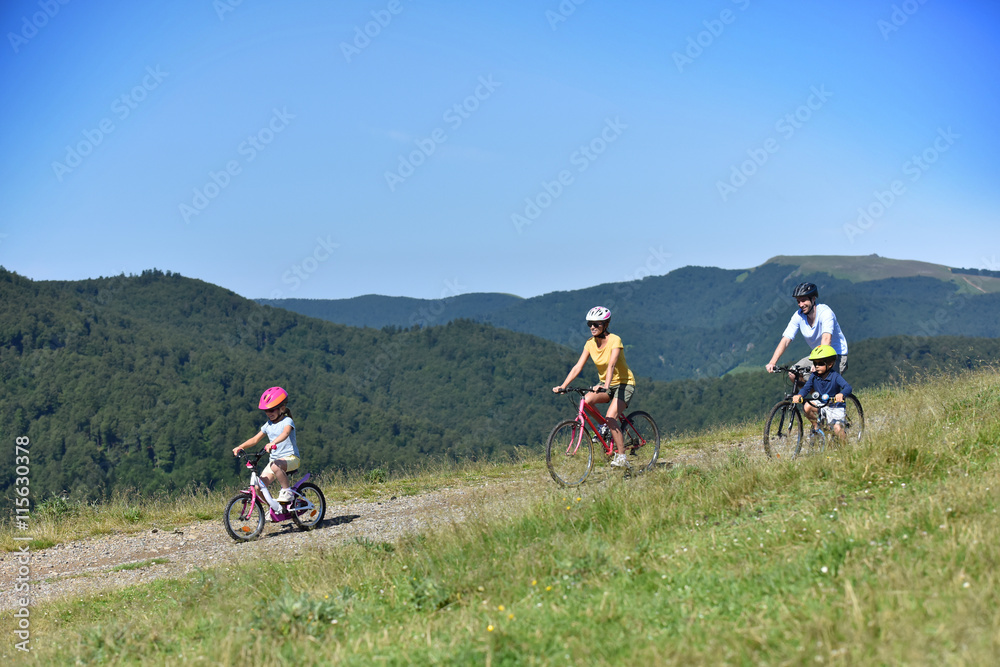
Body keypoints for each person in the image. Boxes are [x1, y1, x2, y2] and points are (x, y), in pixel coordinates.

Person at [553, 306, 637, 468]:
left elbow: (612, 364)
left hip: (623, 384)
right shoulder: (590, 344)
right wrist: (563, 386)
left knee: (611, 416)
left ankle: (621, 457)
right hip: (605, 385)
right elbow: (578, 367)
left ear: (605, 324)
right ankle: (604, 427)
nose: (592, 327)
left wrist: (605, 385)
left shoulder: (615, 340)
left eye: (596, 324)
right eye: (589, 324)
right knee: (587, 400)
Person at [765, 282, 849, 382]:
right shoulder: (798, 316)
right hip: (817, 355)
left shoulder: (825, 313)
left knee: (821, 382)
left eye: (804, 300)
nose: (801, 304)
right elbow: (786, 339)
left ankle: (823, 396)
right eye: (798, 301)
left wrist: (818, 362)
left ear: (813, 299)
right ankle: (816, 397)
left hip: (836, 355)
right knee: (793, 374)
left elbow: (826, 339)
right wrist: (772, 362)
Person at [232, 386, 300, 504]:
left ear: (282, 408)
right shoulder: (268, 425)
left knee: (275, 465)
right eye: (266, 411)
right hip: (274, 462)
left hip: (291, 458)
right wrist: (240, 447)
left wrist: (273, 442)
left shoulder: (287, 421)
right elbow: (255, 439)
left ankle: (287, 491)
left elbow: (285, 433)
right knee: (258, 486)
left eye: (272, 410)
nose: (269, 413)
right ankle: (274, 508)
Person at [792, 345, 853, 442]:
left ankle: (845, 448)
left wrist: (841, 394)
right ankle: (817, 427)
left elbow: (848, 387)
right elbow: (807, 388)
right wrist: (800, 395)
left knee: (837, 429)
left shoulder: (835, 376)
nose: (816, 366)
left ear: (830, 364)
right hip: (821, 403)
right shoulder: (814, 376)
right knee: (807, 406)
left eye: (820, 363)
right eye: (815, 363)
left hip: (835, 406)